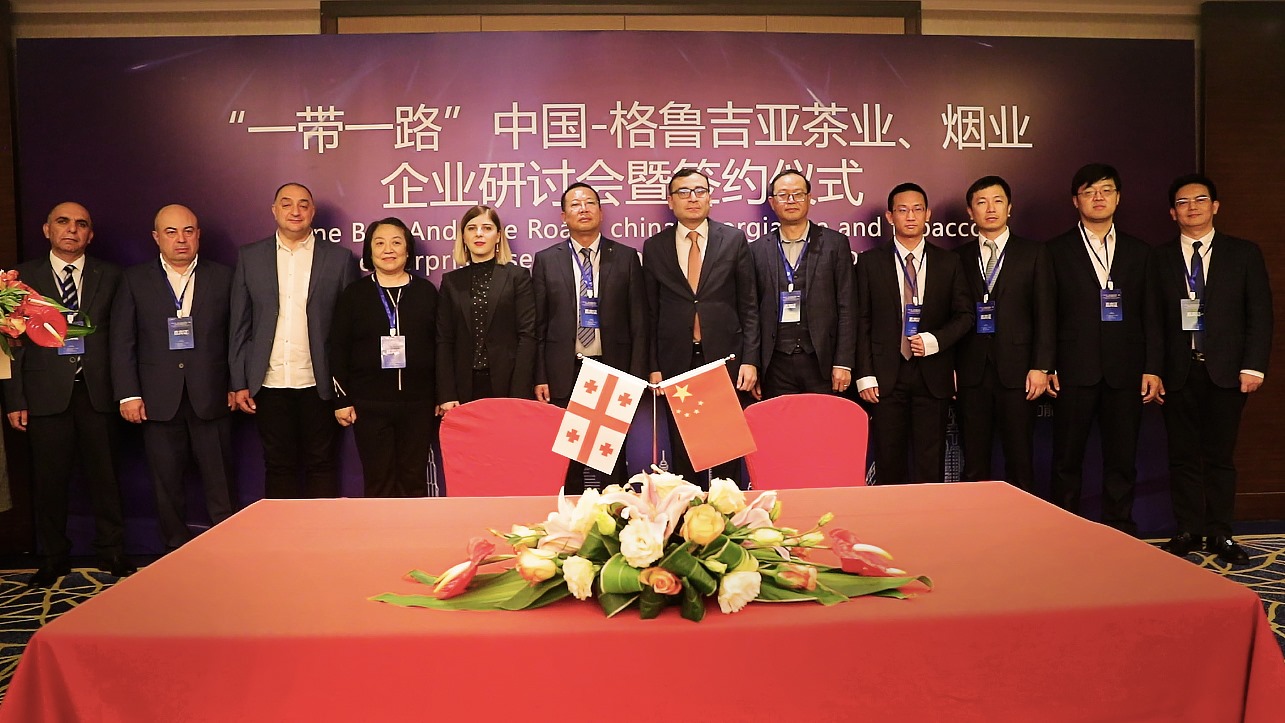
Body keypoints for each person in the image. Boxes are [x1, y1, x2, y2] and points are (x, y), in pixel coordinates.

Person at [4, 201, 134, 586]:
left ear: (90, 235)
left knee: (106, 479)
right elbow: (10, 343)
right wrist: (15, 398)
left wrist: (126, 392)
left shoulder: (112, 275)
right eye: (63, 222)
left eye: (81, 224)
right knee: (49, 483)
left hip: (98, 392)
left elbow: (122, 337)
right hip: (44, 395)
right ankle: (52, 557)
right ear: (47, 230)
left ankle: (112, 551)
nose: (72, 229)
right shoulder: (19, 279)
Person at [1154, 174, 1273, 563]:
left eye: (1200, 200)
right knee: (1182, 456)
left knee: (1220, 457)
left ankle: (1221, 533)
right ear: (1172, 213)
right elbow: (1152, 320)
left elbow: (1260, 314)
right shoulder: (1159, 258)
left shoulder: (1243, 254)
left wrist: (1253, 366)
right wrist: (1153, 370)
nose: (1192, 207)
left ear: (1215, 206)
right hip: (1178, 372)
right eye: (1183, 202)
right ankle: (1188, 529)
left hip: (1227, 372)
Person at [111, 204, 236, 551]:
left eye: (188, 231)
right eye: (171, 232)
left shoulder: (224, 277)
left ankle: (229, 552)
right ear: (156, 237)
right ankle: (175, 552)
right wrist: (128, 394)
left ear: (198, 235)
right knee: (166, 486)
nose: (181, 239)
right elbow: (122, 341)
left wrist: (235, 384)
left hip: (212, 396)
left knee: (221, 484)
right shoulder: (134, 280)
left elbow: (237, 336)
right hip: (157, 401)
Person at [1046, 163, 1162, 535]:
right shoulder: (1054, 251)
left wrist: (1152, 366)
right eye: (1089, 191)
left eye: (1106, 190)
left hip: (1125, 370)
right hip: (1073, 369)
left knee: (1122, 459)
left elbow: (1151, 315)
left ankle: (1119, 529)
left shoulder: (1140, 251)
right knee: (1066, 459)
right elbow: (1047, 313)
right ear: (1075, 200)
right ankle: (1065, 530)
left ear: (1118, 197)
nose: (1098, 197)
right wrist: (1047, 365)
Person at [229, 183, 356, 499]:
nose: (295, 211)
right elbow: (240, 325)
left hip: (319, 382)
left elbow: (348, 331)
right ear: (274, 210)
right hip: (269, 382)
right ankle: (281, 531)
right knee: (278, 466)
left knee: (322, 464)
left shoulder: (339, 259)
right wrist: (239, 381)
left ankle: (322, 531)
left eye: (303, 204)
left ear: (313, 211)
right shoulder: (250, 257)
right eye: (286, 204)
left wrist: (345, 387)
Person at [642, 168, 759, 487]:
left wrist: (750, 359)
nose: (692, 198)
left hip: (725, 359)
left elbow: (749, 306)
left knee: (726, 450)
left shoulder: (732, 240)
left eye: (700, 191)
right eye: (683, 192)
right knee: (684, 451)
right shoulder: (655, 247)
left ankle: (728, 513)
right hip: (676, 361)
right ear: (670, 201)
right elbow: (650, 312)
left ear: (709, 197)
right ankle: (688, 515)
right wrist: (653, 365)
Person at [533, 183, 647, 493]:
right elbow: (538, 325)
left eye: (589, 203)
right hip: (564, 371)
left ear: (600, 211)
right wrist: (541, 375)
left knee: (611, 460)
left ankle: (617, 518)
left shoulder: (625, 257)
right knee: (567, 462)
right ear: (563, 216)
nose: (583, 209)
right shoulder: (546, 260)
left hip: (612, 370)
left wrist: (635, 376)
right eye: (575, 204)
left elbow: (639, 321)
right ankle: (569, 522)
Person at [855, 182, 973, 485]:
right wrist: (865, 374)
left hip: (932, 373)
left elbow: (965, 315)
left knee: (929, 462)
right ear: (890, 216)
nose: (910, 216)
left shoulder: (948, 262)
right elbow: (861, 320)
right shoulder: (869, 262)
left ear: (928, 214)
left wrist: (935, 341)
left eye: (917, 209)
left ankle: (929, 516)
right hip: (885, 376)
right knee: (889, 460)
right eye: (903, 210)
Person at [953, 176, 1054, 490]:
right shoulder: (957, 258)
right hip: (971, 373)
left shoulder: (1033, 253)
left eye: (997, 201)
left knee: (1020, 459)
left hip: (1019, 372)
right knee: (974, 462)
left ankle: (1022, 520)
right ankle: (975, 519)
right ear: (970, 212)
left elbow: (1046, 313)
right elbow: (952, 316)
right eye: (981, 202)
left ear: (1009, 208)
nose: (990, 208)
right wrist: (950, 368)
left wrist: (1041, 366)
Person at [330, 217, 439, 498]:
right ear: (370, 250)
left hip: (418, 404)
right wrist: (342, 400)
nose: (388, 249)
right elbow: (338, 347)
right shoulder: (354, 294)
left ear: (407, 249)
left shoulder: (426, 292)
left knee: (413, 480)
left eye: (396, 242)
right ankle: (380, 529)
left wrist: (441, 395)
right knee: (378, 481)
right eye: (379, 243)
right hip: (369, 405)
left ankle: (413, 529)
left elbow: (440, 346)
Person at [749, 169, 855, 399]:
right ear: (772, 202)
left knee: (823, 421)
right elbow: (752, 313)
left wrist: (843, 362)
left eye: (798, 194)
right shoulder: (757, 250)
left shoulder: (835, 244)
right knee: (779, 422)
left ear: (809, 198)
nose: (791, 200)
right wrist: (754, 364)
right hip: (775, 364)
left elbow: (847, 306)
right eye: (783, 195)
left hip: (822, 362)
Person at [436, 205, 536, 411]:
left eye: (487, 228)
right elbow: (444, 340)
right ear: (463, 237)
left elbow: (527, 336)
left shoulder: (517, 277)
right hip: (464, 387)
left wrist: (519, 392)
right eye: (472, 228)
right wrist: (447, 393)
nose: (479, 233)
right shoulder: (451, 281)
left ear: (498, 236)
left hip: (508, 384)